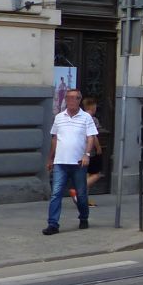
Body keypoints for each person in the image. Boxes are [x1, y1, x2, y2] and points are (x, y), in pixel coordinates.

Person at [44, 88, 98, 235]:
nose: (70, 101)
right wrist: (50, 158)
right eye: (68, 98)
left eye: (73, 98)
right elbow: (55, 138)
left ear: (79, 100)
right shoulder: (59, 117)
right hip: (60, 162)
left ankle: (84, 217)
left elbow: (90, 137)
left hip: (78, 162)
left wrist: (87, 154)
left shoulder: (86, 117)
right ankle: (53, 224)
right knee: (56, 193)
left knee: (81, 194)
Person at [70, 96, 103, 207]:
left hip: (79, 149)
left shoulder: (79, 117)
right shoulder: (92, 119)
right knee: (96, 174)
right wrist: (98, 148)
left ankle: (83, 200)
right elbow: (93, 136)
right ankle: (78, 191)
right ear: (92, 107)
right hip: (90, 151)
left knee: (86, 175)